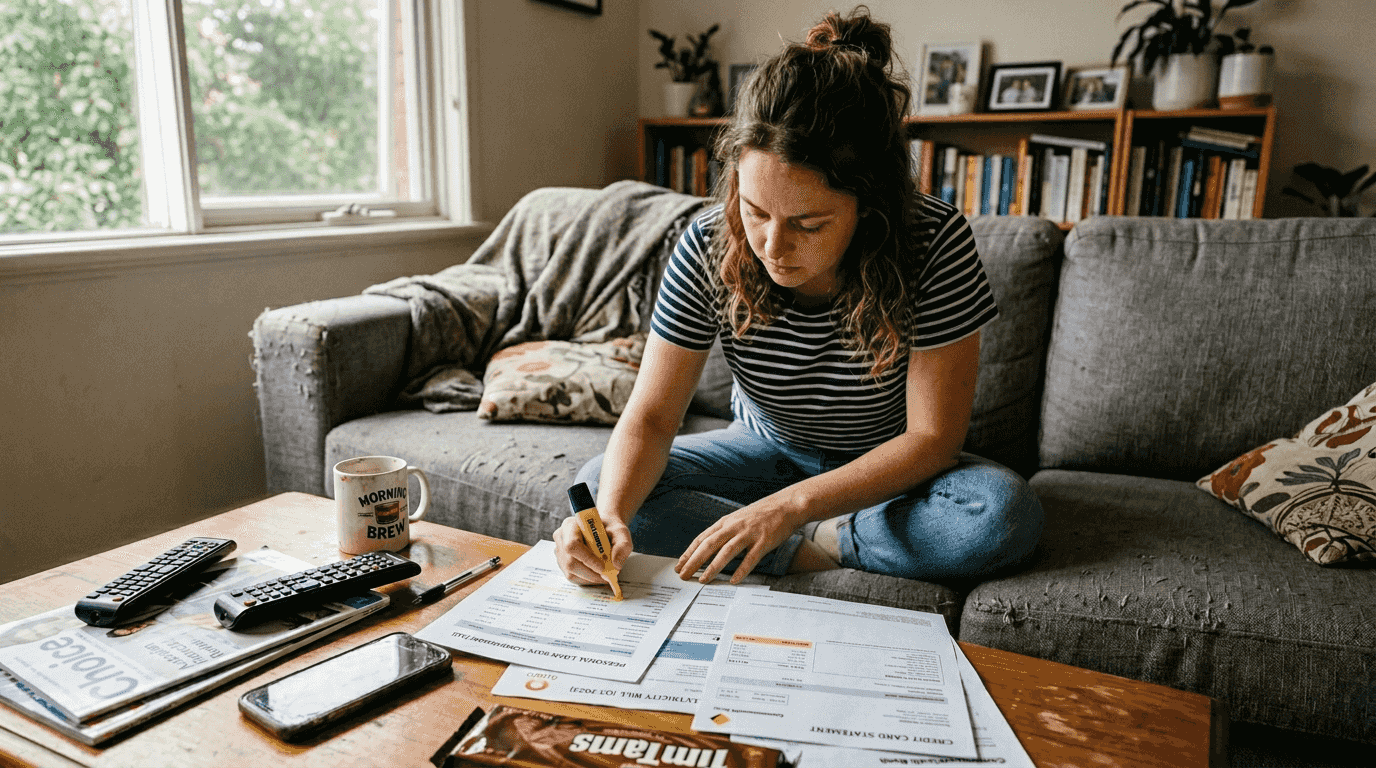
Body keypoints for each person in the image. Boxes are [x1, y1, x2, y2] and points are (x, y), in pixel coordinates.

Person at [554, 7, 1044, 589]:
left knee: (999, 517)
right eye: (756, 211)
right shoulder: (708, 243)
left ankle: (817, 540)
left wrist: (790, 510)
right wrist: (607, 518)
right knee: (606, 482)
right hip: (764, 452)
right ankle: (817, 549)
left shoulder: (933, 242)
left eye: (808, 224)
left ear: (870, 206)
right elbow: (655, 416)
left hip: (888, 471)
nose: (771, 245)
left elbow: (931, 440)